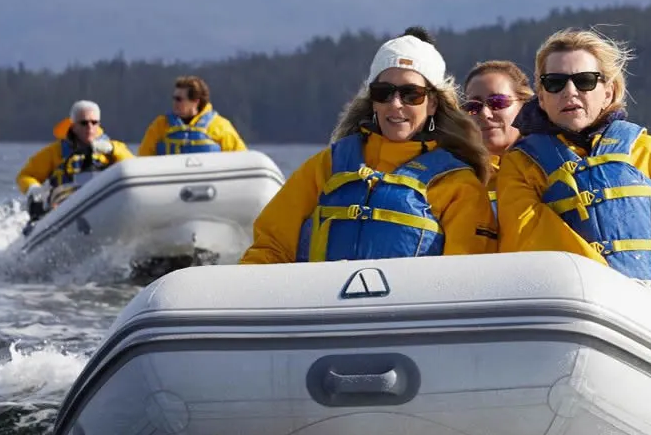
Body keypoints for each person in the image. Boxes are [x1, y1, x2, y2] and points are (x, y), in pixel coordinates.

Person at [497, 28, 651, 311]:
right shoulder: (520, 165)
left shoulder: (649, 152)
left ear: (608, 91)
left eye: (585, 81)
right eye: (555, 83)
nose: (570, 92)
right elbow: (529, 237)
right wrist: (611, 287)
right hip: (576, 308)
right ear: (541, 94)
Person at [240, 27, 495, 264]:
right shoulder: (327, 166)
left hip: (409, 312)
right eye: (384, 92)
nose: (395, 104)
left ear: (433, 104)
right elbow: (271, 245)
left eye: (411, 94)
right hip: (322, 309)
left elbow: (466, 276)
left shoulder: (459, 185)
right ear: (373, 101)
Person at [15, 100, 135, 225]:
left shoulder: (114, 148)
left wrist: (112, 149)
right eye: (84, 123)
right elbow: (25, 175)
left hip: (104, 203)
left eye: (94, 123)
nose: (90, 127)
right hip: (65, 207)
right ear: (73, 126)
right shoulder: (55, 152)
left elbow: (133, 168)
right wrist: (33, 188)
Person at [461, 60, 533, 225]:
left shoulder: (547, 167)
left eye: (497, 102)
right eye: (473, 106)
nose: (485, 113)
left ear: (525, 105)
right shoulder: (455, 174)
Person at [138, 75, 248, 155]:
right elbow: (142, 158)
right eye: (174, 98)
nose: (174, 103)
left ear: (195, 101)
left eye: (179, 99)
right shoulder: (160, 126)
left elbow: (242, 158)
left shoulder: (220, 126)